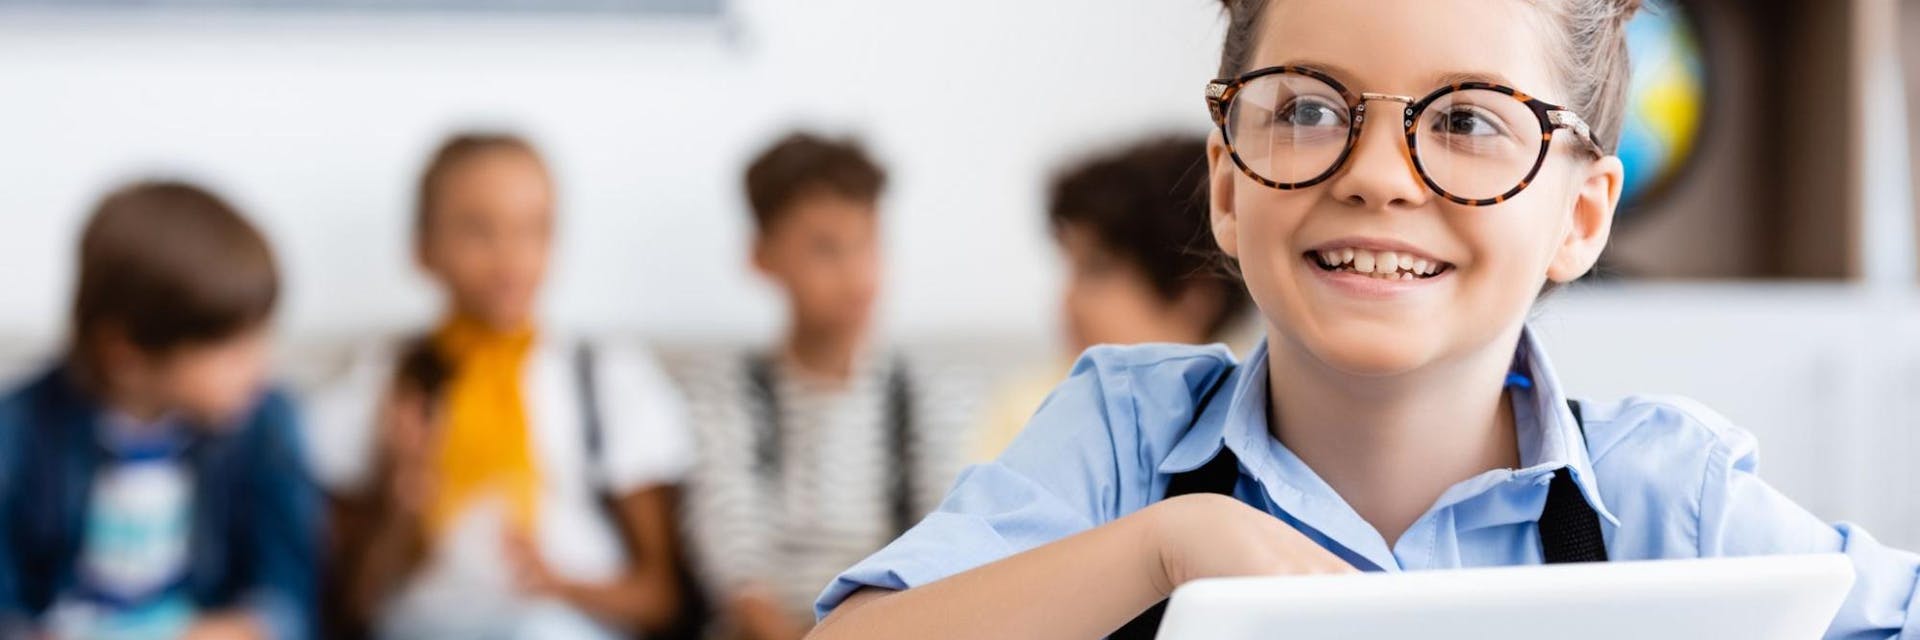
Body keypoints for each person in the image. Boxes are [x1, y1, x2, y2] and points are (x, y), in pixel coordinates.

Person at [809, 1, 1920, 638]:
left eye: (1471, 121)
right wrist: (1160, 550)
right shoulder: (1121, 446)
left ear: (1579, 215)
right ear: (1231, 185)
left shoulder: (1668, 497)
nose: (1380, 176)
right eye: (1306, 108)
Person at [307, 133, 695, 639]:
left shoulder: (607, 378)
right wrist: (400, 502)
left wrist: (559, 586)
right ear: (424, 248)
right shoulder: (382, 382)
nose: (509, 255)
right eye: (477, 230)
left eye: (534, 229)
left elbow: (661, 599)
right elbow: (348, 609)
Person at [680, 132, 974, 640]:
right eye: (825, 249)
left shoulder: (929, 393)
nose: (855, 274)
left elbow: (945, 553)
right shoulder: (723, 394)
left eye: (867, 244)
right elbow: (737, 570)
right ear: (761, 256)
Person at [0, 181, 319, 640]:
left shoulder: (266, 422)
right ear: (125, 353)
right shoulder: (18, 433)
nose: (259, 366)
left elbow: (288, 601)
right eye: (231, 348)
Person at [973, 135, 1255, 460]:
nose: (1068, 299)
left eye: (1096, 269)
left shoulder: (1264, 413)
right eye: (1069, 267)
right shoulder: (1028, 411)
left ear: (1194, 292)